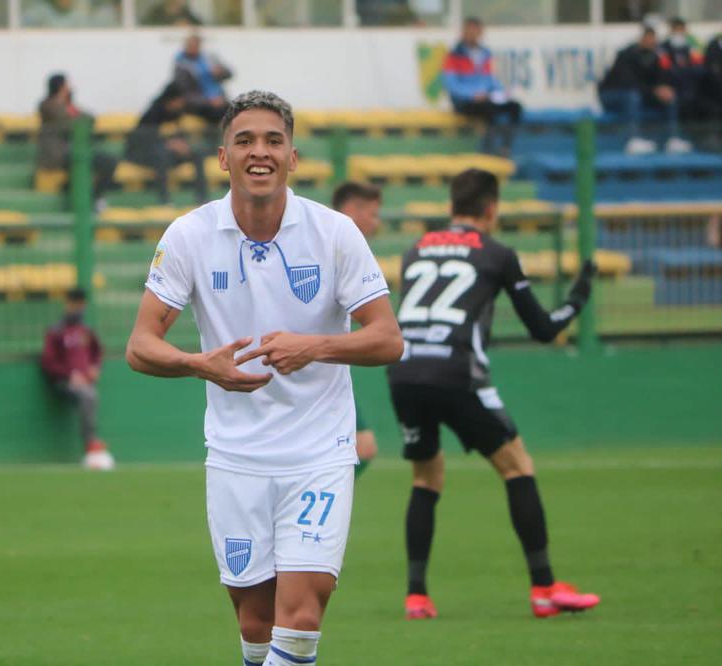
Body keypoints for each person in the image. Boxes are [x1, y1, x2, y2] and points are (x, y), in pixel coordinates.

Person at [126, 91, 402, 666]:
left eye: (273, 141)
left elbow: (387, 338)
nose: (260, 152)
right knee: (255, 624)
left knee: (299, 618)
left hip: (318, 454)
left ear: (293, 157)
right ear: (223, 157)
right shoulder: (188, 236)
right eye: (245, 140)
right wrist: (203, 365)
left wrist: (315, 345)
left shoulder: (334, 234)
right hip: (235, 457)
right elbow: (141, 345)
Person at [387, 168, 601, 621]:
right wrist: (578, 297)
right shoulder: (498, 254)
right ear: (491, 209)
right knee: (517, 467)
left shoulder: (414, 250)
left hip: (403, 372)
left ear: (451, 206)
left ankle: (416, 596)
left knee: (426, 478)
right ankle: (544, 588)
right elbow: (543, 330)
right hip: (457, 374)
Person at [331, 181, 384, 478]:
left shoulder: (342, 248)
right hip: (311, 367)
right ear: (352, 211)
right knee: (363, 445)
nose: (376, 224)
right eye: (373, 215)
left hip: (323, 366)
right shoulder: (326, 245)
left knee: (363, 446)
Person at [40, 288, 113, 471]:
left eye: (81, 304)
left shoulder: (86, 330)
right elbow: (48, 362)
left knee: (88, 393)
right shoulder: (56, 331)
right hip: (63, 383)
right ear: (67, 304)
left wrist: (95, 367)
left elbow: (97, 352)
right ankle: (91, 442)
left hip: (84, 383)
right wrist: (69, 374)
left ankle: (93, 445)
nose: (78, 308)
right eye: (74, 304)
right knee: (89, 395)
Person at [599, 26, 692, 155]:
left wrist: (663, 89)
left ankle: (673, 138)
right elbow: (628, 83)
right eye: (648, 39)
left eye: (653, 39)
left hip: (641, 93)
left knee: (670, 96)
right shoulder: (626, 55)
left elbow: (660, 78)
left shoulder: (656, 56)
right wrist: (654, 90)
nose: (651, 42)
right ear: (641, 39)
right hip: (612, 95)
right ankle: (633, 139)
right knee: (633, 97)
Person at [442, 17, 522, 157]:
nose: (472, 34)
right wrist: (472, 95)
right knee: (489, 109)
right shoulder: (454, 55)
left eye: (475, 31)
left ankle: (505, 147)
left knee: (515, 107)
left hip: (485, 99)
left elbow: (490, 80)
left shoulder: (485, 54)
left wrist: (501, 92)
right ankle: (488, 149)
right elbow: (451, 84)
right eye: (469, 30)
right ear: (463, 32)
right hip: (464, 102)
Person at [37, 73, 119, 208]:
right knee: (90, 164)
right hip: (57, 153)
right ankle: (84, 196)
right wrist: (73, 113)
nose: (70, 87)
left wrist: (72, 109)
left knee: (109, 161)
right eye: (67, 84)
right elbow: (67, 122)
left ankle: (94, 195)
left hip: (75, 150)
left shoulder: (69, 105)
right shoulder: (47, 105)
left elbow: (90, 119)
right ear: (60, 86)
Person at [124, 82, 208, 205]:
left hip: (169, 153)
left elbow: (178, 134)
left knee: (197, 153)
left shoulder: (176, 113)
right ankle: (164, 199)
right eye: (179, 100)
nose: (181, 104)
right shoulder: (153, 113)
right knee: (161, 154)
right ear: (171, 100)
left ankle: (202, 197)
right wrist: (170, 143)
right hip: (143, 155)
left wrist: (183, 144)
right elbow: (145, 140)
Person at [173, 34, 233, 123]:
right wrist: (208, 101)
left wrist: (220, 72)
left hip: (219, 99)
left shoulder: (209, 59)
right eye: (191, 45)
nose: (194, 47)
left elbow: (229, 74)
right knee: (218, 114)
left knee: (233, 112)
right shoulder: (181, 65)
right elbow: (185, 92)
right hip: (199, 104)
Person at [660, 18, 705, 121]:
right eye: (677, 30)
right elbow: (665, 68)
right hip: (673, 85)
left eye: (681, 30)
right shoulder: (663, 47)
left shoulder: (692, 46)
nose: (679, 33)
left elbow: (700, 67)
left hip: (692, 85)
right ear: (671, 30)